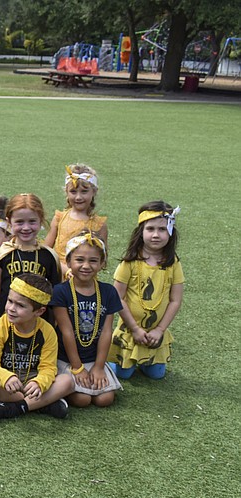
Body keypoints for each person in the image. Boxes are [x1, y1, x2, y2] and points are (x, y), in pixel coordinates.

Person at [0, 274, 75, 422]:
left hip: (33, 380)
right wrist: (6, 377)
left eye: (20, 305)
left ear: (39, 311)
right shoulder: (0, 326)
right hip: (7, 383)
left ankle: (14, 407)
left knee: (68, 381)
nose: (11, 308)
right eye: (10, 301)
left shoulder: (47, 331)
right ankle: (41, 404)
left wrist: (39, 383)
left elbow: (48, 368)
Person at [109, 202, 183, 380]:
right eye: (150, 229)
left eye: (162, 229)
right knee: (123, 374)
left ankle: (147, 359)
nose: (156, 235)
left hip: (156, 333)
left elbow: (175, 300)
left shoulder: (173, 263)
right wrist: (135, 329)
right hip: (130, 330)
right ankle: (108, 360)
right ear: (141, 231)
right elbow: (118, 297)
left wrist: (160, 330)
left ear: (171, 231)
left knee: (156, 375)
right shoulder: (129, 262)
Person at [50, 233, 122, 407]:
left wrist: (98, 366)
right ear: (68, 262)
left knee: (105, 399)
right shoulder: (60, 291)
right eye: (79, 260)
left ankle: (94, 372)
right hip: (67, 359)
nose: (86, 266)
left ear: (102, 263)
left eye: (93, 261)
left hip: (94, 358)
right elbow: (67, 331)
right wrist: (77, 367)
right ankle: (65, 385)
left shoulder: (108, 292)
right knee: (82, 400)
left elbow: (106, 331)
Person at [0, 193, 61, 329]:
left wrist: (55, 326)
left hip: (39, 324)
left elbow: (55, 295)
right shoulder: (2, 254)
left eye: (32, 221)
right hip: (4, 322)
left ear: (41, 220)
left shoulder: (49, 256)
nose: (26, 228)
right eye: (19, 222)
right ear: (9, 222)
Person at [44, 164, 108, 276]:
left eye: (84, 191)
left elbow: (102, 259)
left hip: (85, 277)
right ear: (66, 192)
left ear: (94, 191)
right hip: (58, 276)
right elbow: (46, 251)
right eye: (73, 191)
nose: (78, 197)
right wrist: (66, 269)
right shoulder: (59, 218)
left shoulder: (99, 225)